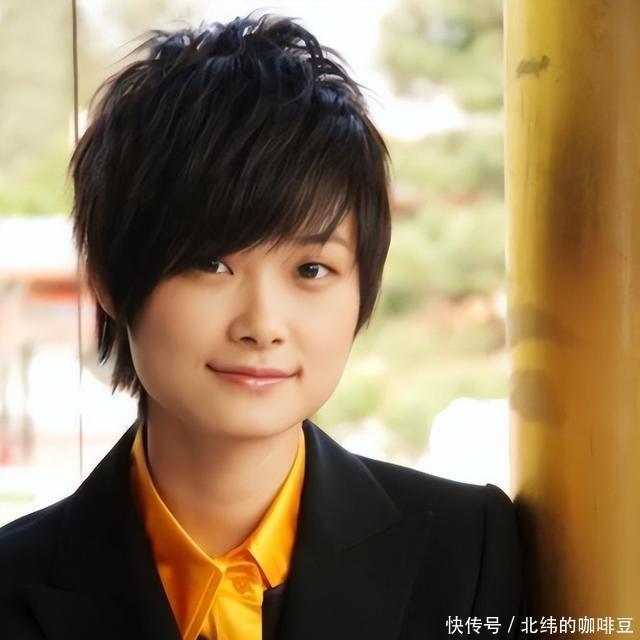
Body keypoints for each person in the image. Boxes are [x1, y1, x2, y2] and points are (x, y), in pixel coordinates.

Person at [0, 12, 526, 640]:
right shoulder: (12, 583)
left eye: (311, 269)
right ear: (111, 279)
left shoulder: (468, 553)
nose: (263, 325)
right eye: (210, 263)